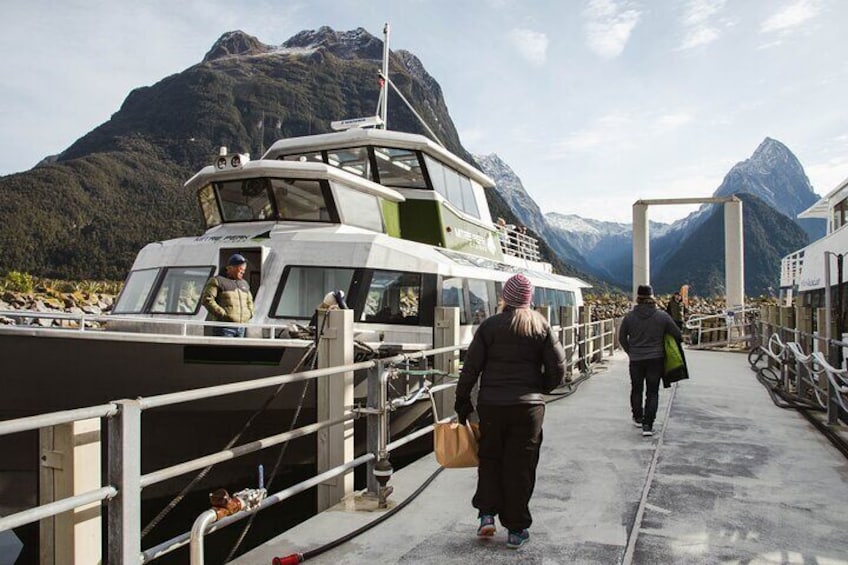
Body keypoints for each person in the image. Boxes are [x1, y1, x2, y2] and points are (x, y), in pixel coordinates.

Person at [454, 273, 566, 550]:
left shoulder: (489, 326)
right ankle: (516, 529)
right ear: (529, 299)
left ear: (505, 296)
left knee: (490, 458)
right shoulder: (540, 325)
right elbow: (559, 368)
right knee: (520, 467)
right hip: (528, 409)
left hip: (492, 405)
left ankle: (486, 515)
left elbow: (471, 367)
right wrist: (540, 387)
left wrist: (462, 399)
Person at [618, 284, 681, 437]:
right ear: (652, 297)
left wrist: (631, 352)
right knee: (652, 392)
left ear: (637, 298)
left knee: (636, 388)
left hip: (636, 359)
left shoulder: (629, 317)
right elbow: (677, 334)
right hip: (656, 359)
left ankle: (638, 417)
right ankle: (648, 425)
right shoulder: (662, 316)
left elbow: (621, 338)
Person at [201, 253, 254, 337]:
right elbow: (207, 299)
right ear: (231, 268)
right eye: (241, 268)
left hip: (242, 327)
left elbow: (249, 301)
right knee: (225, 350)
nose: (243, 271)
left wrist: (249, 314)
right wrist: (223, 314)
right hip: (224, 328)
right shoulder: (217, 280)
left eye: (244, 268)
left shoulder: (244, 284)